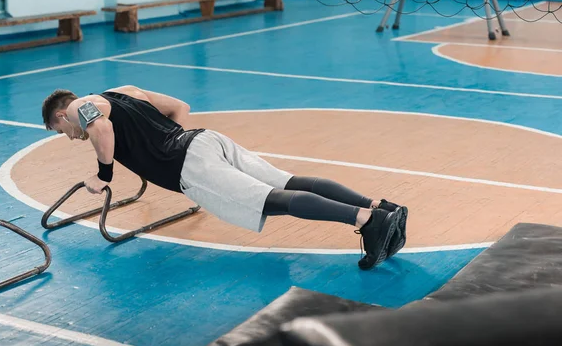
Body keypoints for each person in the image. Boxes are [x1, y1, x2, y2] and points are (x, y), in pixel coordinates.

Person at [41, 85, 408, 269]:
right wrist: (165, 140)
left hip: (188, 162)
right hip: (202, 140)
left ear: (59, 116)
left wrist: (103, 175)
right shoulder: (122, 91)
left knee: (270, 199)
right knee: (287, 183)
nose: (70, 136)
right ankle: (382, 208)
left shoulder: (76, 109)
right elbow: (178, 108)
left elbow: (101, 129)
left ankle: (368, 220)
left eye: (61, 132)